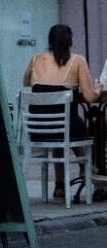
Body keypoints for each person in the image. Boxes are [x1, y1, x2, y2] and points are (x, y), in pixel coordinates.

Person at [22, 23, 102, 200]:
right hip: (66, 127)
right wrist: (97, 88)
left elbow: (26, 82)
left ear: (50, 41)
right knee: (73, 127)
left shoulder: (36, 59)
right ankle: (93, 172)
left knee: (61, 128)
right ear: (70, 41)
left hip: (38, 129)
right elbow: (89, 98)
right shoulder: (77, 60)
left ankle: (60, 187)